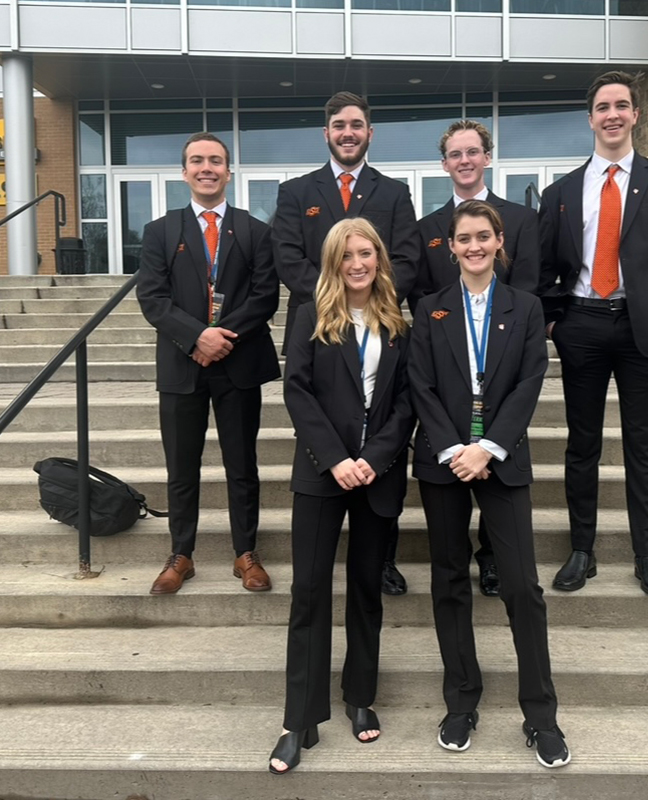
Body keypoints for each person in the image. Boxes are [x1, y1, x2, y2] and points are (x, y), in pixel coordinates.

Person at [409, 200, 569, 768]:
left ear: (500, 241)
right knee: (450, 582)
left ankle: (541, 714)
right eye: (463, 238)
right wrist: (456, 449)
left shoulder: (524, 307)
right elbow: (420, 386)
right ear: (449, 247)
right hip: (443, 462)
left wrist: (488, 448)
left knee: (523, 585)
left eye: (484, 236)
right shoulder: (429, 310)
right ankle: (461, 702)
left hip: (501, 458)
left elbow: (530, 379)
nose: (474, 246)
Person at [538, 70, 648, 596]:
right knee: (582, 443)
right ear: (590, 119)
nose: (613, 114)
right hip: (582, 324)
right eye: (603, 106)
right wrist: (556, 321)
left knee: (643, 443)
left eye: (622, 105)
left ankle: (646, 555)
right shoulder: (562, 190)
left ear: (635, 114)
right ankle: (581, 550)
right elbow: (544, 267)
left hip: (642, 328)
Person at [270, 217, 415, 775]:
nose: (358, 263)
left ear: (378, 258)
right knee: (308, 592)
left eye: (367, 253)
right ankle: (298, 720)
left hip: (377, 476)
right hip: (321, 474)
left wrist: (374, 459)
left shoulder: (398, 322)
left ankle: (360, 696)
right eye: (347, 255)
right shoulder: (310, 315)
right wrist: (335, 459)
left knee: (365, 592)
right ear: (334, 262)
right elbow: (297, 391)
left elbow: (406, 402)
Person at [273, 90, 420, 597]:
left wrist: (369, 294)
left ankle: (381, 560)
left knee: (382, 426)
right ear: (327, 133)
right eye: (339, 125)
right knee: (329, 425)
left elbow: (406, 258)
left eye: (357, 124)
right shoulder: (296, 191)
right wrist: (335, 296)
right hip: (320, 328)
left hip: (380, 319)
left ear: (369, 133)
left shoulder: (394, 192)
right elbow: (289, 258)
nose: (348, 132)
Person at [137, 132, 280, 595]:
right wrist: (197, 336)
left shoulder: (255, 231)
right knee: (182, 467)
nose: (206, 168)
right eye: (197, 161)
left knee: (242, 465)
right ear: (184, 172)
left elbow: (265, 297)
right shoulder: (160, 231)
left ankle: (246, 554)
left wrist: (219, 338)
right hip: (182, 366)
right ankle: (181, 554)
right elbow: (153, 298)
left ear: (228, 171)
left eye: (215, 161)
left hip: (238, 365)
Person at [413, 119, 542, 598]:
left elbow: (526, 289)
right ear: (444, 163)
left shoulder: (521, 220)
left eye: (473, 151)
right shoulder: (427, 228)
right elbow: (425, 297)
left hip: (504, 361)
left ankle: (492, 559)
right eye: (455, 153)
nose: (464, 160)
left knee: (500, 490)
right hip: (449, 371)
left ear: (487, 157)